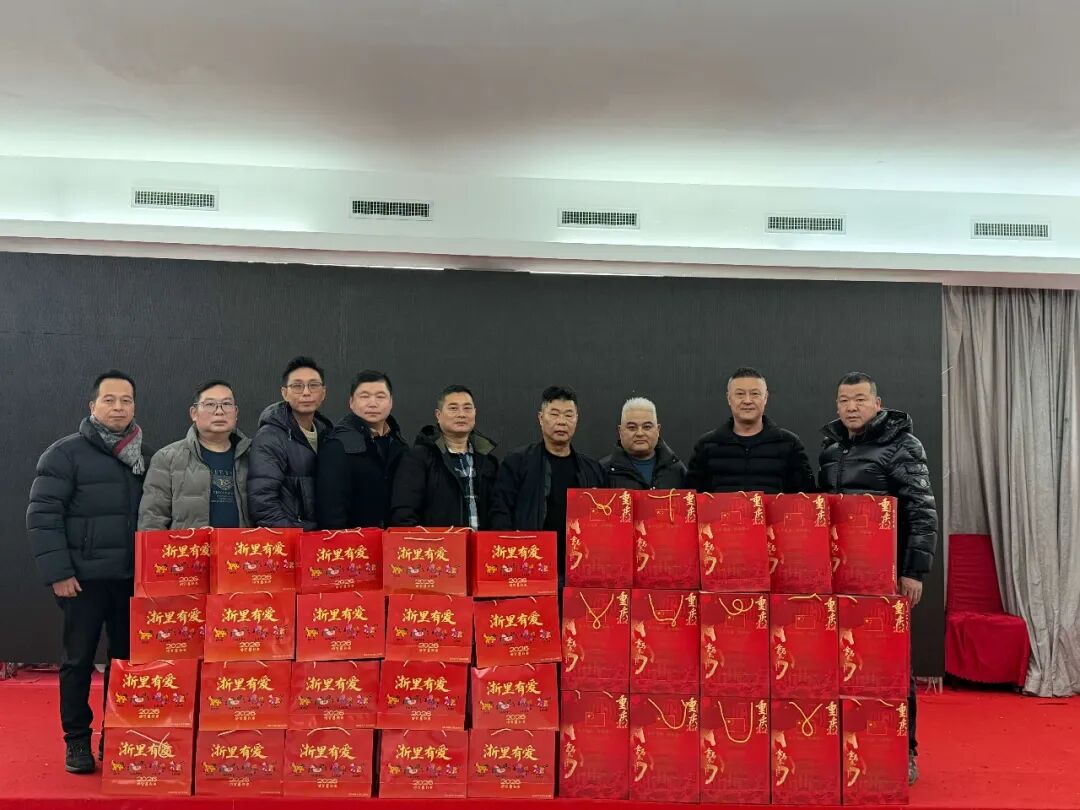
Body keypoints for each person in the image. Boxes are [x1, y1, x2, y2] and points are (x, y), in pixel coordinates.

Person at [25, 370, 152, 774]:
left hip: (131, 581)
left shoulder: (144, 456)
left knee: (126, 662)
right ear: (92, 405)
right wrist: (59, 572)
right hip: (82, 580)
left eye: (126, 400)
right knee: (78, 661)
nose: (119, 407)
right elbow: (43, 516)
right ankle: (77, 740)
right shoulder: (64, 454)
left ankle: (116, 735)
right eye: (109, 400)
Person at [818, 371, 937, 787]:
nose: (851, 407)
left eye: (859, 399)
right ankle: (849, 748)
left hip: (886, 575)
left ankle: (904, 751)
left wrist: (912, 571)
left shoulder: (903, 445)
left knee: (891, 666)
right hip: (837, 576)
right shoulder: (830, 449)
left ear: (877, 403)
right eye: (844, 400)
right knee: (842, 662)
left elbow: (921, 510)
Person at [489, 386, 606, 569]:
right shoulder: (517, 462)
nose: (562, 422)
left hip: (578, 569)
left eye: (569, 415)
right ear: (541, 418)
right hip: (530, 565)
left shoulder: (593, 469)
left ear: (576, 419)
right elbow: (500, 514)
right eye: (554, 414)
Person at [138, 379, 251, 529]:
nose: (219, 411)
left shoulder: (253, 456)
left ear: (236, 413)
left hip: (242, 544)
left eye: (226, 404)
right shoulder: (167, 458)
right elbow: (152, 519)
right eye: (210, 404)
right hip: (188, 544)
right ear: (194, 413)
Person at [685, 366, 814, 493]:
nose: (747, 401)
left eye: (755, 394)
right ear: (729, 398)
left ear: (765, 398)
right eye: (740, 394)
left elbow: (806, 497)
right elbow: (691, 498)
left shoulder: (789, 444)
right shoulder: (707, 445)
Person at [390, 385, 498, 528]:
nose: (461, 414)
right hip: (438, 542)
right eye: (453, 408)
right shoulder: (418, 459)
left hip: (481, 541)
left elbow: (498, 511)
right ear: (438, 415)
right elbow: (404, 513)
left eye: (467, 408)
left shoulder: (489, 462)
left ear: (475, 413)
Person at [248, 356, 332, 530]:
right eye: (297, 386)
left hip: (322, 537)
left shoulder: (328, 434)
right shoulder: (270, 437)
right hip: (291, 537)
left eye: (313, 385)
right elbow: (263, 504)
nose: (306, 392)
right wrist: (295, 537)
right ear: (284, 393)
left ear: (323, 393)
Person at [317, 370, 408, 529]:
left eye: (380, 396)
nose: (373, 403)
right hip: (354, 541)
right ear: (351, 402)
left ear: (391, 402)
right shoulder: (337, 445)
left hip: (393, 540)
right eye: (364, 396)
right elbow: (331, 512)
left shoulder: (400, 445)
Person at [600, 396, 686, 489]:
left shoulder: (677, 470)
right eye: (632, 427)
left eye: (647, 427)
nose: (640, 433)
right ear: (620, 431)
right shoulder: (602, 470)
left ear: (658, 430)